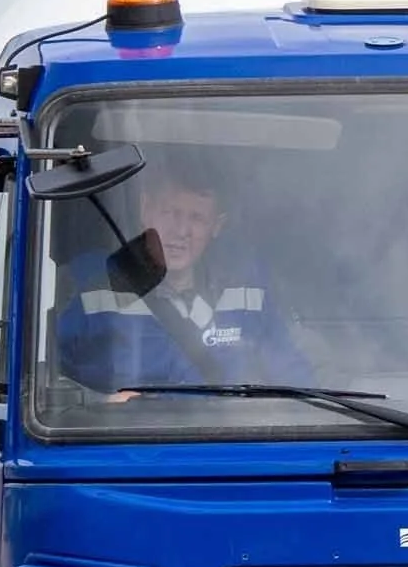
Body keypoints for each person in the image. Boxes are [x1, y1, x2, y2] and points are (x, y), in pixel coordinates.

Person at [53, 155, 288, 393]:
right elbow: (39, 379)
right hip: (125, 429)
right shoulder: (86, 284)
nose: (181, 231)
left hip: (230, 428)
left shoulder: (248, 285)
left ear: (217, 226)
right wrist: (98, 405)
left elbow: (293, 364)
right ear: (146, 209)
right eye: (170, 212)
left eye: (197, 218)